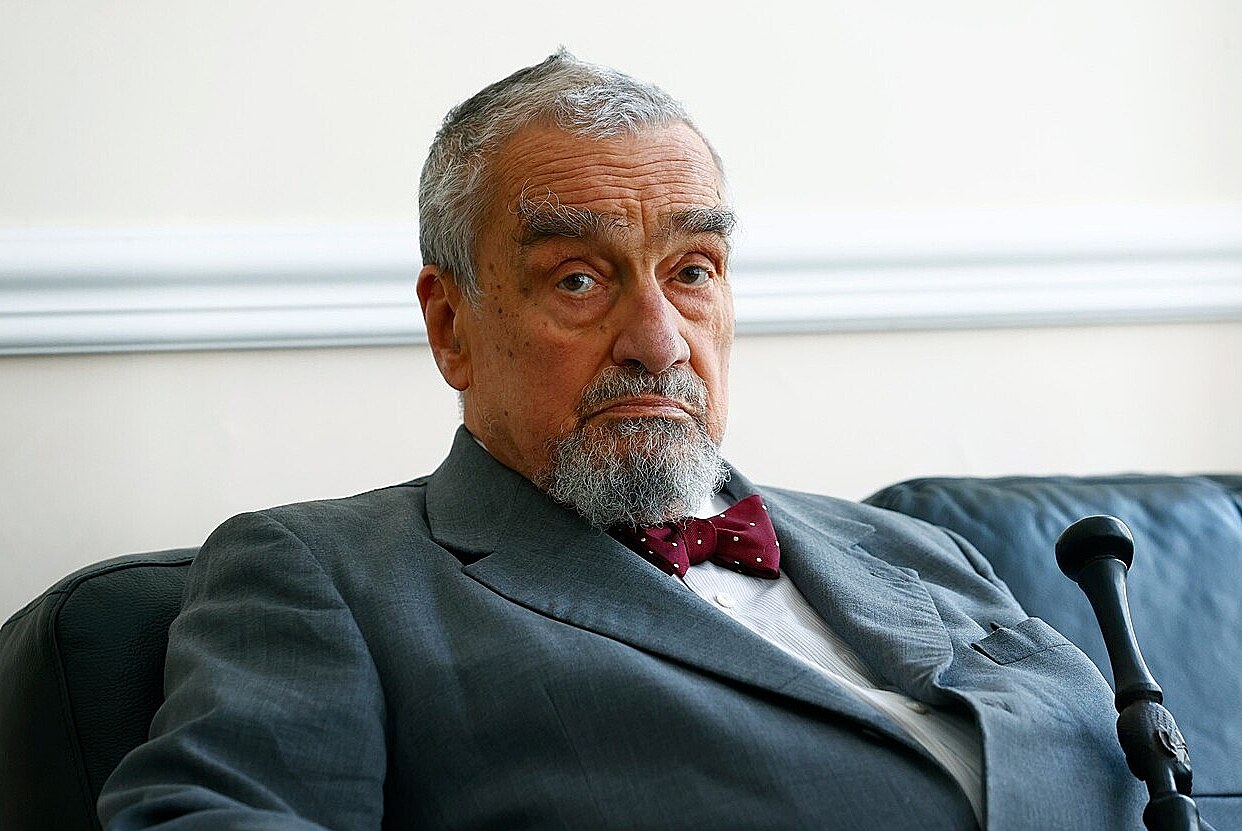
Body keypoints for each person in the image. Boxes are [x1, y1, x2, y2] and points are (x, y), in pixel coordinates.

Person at [99, 50, 1145, 830]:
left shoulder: (923, 549)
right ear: (451, 325)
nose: (659, 341)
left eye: (691, 271)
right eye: (578, 279)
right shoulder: (325, 575)